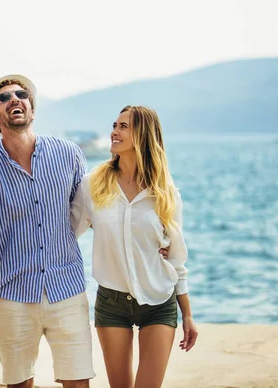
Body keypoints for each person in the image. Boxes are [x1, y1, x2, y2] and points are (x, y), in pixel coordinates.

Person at [0, 74, 95, 388]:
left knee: (78, 383)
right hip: (12, 296)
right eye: (4, 98)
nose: (15, 99)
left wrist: (152, 240)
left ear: (31, 108)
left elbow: (91, 212)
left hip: (67, 289)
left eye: (22, 94)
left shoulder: (69, 154)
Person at [71, 105, 199, 388]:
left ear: (142, 135)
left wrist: (187, 315)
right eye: (114, 125)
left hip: (159, 303)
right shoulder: (93, 184)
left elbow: (177, 260)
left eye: (123, 127)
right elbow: (68, 231)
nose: (114, 132)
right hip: (111, 303)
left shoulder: (165, 194)